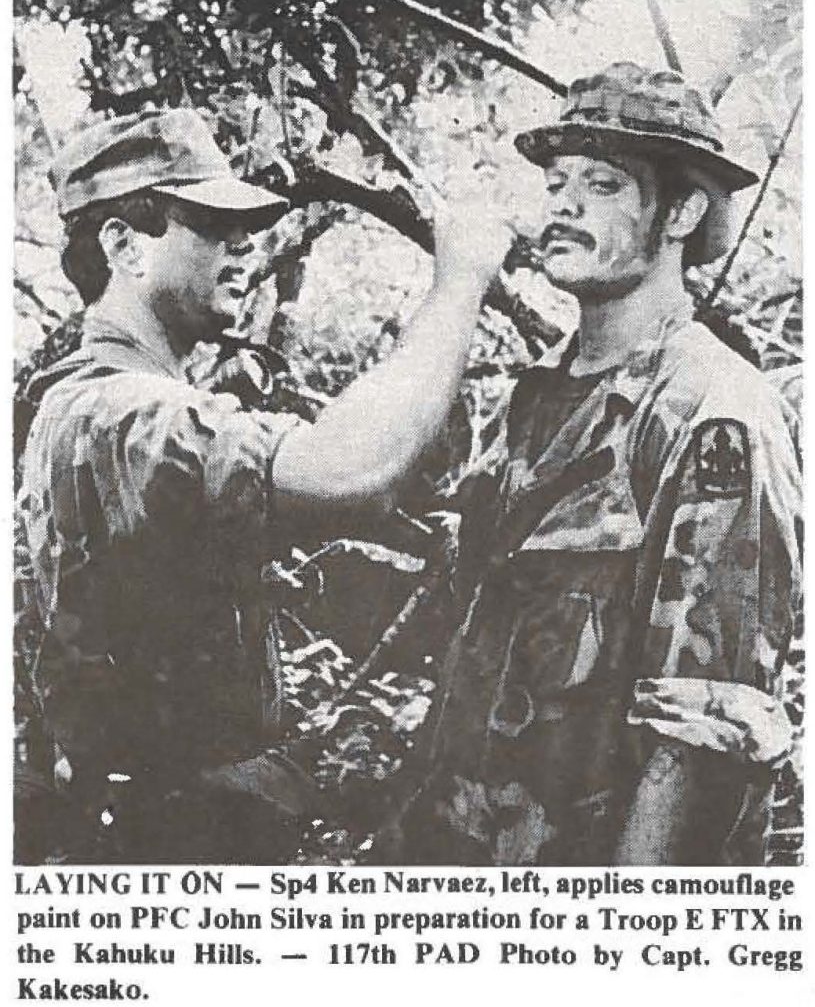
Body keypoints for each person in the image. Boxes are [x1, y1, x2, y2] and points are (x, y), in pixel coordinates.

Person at [15, 107, 511, 863]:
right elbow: (351, 473)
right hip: (164, 845)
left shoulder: (82, 401)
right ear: (122, 245)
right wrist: (460, 278)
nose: (244, 246)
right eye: (208, 224)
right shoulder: (127, 414)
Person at [390, 62, 802, 866]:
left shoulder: (712, 410)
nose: (564, 206)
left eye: (604, 185)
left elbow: (700, 728)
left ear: (680, 213)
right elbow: (459, 633)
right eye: (555, 182)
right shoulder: (538, 396)